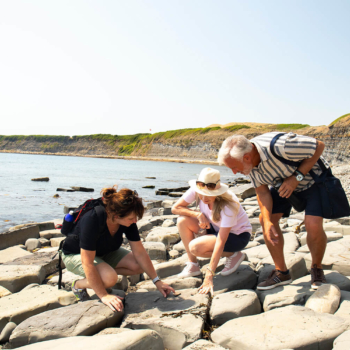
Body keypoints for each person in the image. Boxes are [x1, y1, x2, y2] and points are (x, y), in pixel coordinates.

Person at [218, 131, 328, 290]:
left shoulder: (282, 145)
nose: (234, 172)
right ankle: (282, 272)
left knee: (313, 223)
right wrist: (268, 221)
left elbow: (319, 146)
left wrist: (296, 178)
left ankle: (317, 269)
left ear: (247, 157)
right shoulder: (250, 165)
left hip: (313, 181)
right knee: (265, 219)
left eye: (234, 167)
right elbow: (262, 192)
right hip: (283, 184)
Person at [60, 186, 174, 312]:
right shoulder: (93, 218)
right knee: (110, 278)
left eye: (135, 217)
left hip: (104, 252)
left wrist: (157, 281)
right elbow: (87, 262)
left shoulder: (128, 221)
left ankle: (102, 274)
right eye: (131, 218)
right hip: (75, 254)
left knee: (139, 265)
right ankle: (78, 285)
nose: (134, 221)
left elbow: (140, 252)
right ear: (115, 215)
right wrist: (103, 295)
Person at [172, 168, 252, 295]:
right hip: (214, 227)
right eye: (201, 193)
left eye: (208, 194)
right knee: (182, 220)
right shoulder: (198, 188)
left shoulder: (228, 205)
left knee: (195, 247)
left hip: (237, 236)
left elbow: (221, 240)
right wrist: (197, 214)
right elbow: (175, 208)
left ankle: (233, 254)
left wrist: (209, 276)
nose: (203, 198)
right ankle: (193, 265)